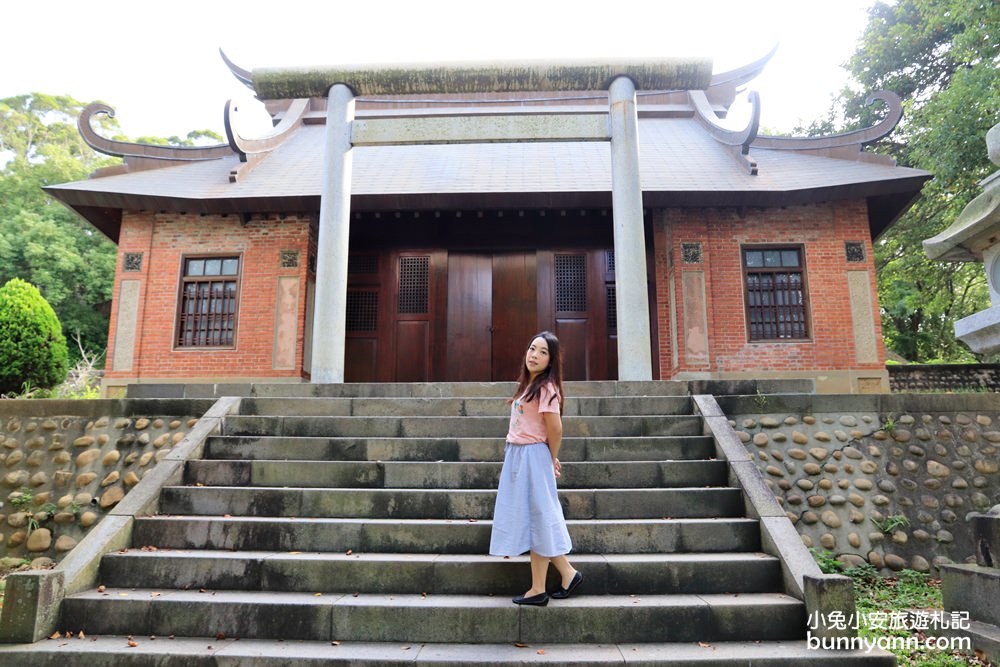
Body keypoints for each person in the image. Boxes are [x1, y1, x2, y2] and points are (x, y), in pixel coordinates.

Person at [489, 331, 583, 606]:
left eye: (543, 352)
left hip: (533, 455)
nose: (535, 355)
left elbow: (556, 428)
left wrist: (550, 458)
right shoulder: (529, 385)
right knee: (535, 517)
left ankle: (539, 589)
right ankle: (567, 573)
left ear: (551, 360)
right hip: (520, 455)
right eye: (532, 349)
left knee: (537, 518)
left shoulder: (546, 388)